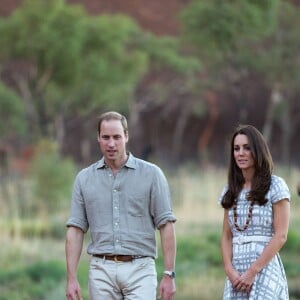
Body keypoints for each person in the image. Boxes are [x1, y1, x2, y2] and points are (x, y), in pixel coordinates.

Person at [65, 111, 176, 300]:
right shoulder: (84, 179)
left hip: (140, 269)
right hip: (101, 270)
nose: (111, 143)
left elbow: (166, 225)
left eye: (116, 137)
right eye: (106, 137)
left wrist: (169, 273)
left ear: (126, 136)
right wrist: (71, 278)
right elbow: (75, 230)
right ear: (98, 138)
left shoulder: (152, 175)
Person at [219, 124, 290, 299]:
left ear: (257, 151)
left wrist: (253, 271)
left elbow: (281, 235)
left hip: (263, 269)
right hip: (236, 275)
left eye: (246, 148)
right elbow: (227, 236)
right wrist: (229, 270)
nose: (240, 153)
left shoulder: (275, 185)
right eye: (236, 148)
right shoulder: (230, 190)